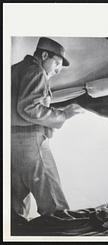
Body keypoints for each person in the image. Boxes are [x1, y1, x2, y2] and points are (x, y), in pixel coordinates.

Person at [11, 37, 84, 223]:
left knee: (13, 204)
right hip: (30, 142)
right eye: (57, 63)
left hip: (10, 142)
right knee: (54, 203)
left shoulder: (15, 69)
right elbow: (28, 108)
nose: (58, 70)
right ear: (44, 55)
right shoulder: (36, 70)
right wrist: (63, 114)